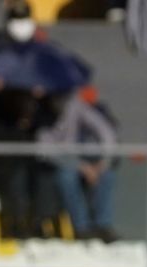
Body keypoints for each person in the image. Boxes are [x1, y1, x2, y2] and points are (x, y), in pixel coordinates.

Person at [40, 85, 118, 242]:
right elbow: (46, 151)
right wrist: (82, 167)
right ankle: (81, 227)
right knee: (66, 178)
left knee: (107, 175)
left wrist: (103, 162)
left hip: (78, 159)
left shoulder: (74, 105)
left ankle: (102, 225)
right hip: (54, 162)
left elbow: (106, 131)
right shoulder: (40, 113)